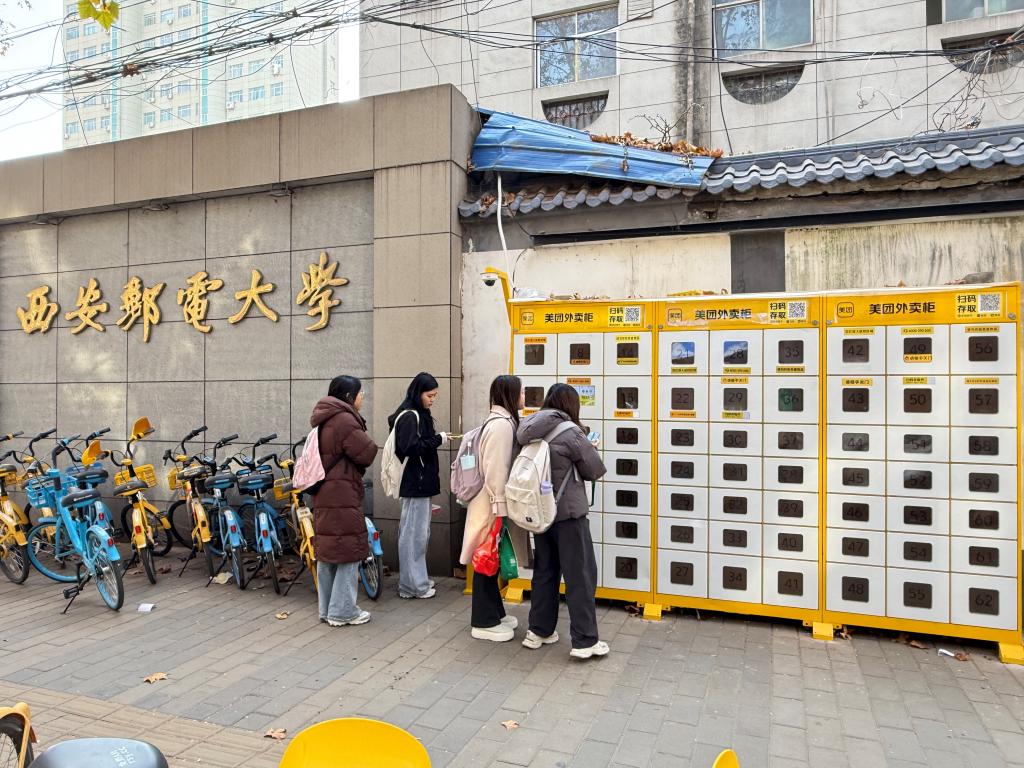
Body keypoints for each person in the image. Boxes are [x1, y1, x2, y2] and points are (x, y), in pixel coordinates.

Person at [516, 383, 608, 659]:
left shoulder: (529, 427)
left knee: (545, 571)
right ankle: (585, 641)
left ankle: (538, 631)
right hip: (568, 515)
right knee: (580, 575)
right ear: (571, 404)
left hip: (541, 513)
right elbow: (594, 469)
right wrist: (591, 447)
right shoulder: (571, 432)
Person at [459, 374, 525, 642]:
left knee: (490, 558)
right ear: (511, 395)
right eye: (521, 392)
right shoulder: (502, 426)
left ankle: (494, 613)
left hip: (488, 502)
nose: (524, 397)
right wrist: (500, 507)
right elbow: (496, 469)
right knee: (486, 558)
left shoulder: (498, 421)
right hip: (491, 503)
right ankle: (483, 621)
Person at [310, 375, 379, 627]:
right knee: (349, 551)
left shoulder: (323, 417)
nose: (363, 398)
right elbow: (367, 451)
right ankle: (342, 612)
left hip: (325, 492)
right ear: (349, 396)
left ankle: (327, 609)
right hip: (342, 492)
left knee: (329, 552)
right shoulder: (344, 419)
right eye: (360, 393)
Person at [389, 372, 448, 599]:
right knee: (414, 536)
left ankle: (416, 581)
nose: (432, 400)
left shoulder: (416, 413)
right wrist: (438, 439)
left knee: (417, 535)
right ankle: (413, 586)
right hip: (416, 482)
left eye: (434, 396)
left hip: (419, 482)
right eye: (429, 395)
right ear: (418, 392)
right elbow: (411, 448)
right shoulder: (409, 416)